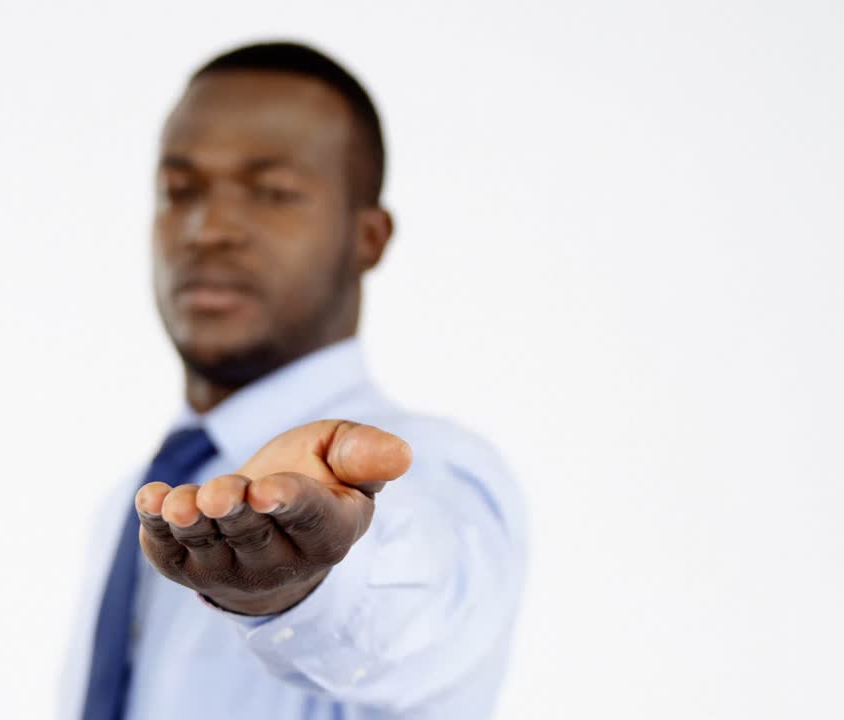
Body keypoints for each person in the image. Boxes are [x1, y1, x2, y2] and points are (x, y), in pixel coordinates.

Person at [58, 41, 527, 720]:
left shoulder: (434, 475)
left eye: (273, 191)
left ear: (367, 237)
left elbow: (415, 610)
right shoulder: (129, 510)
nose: (207, 229)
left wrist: (305, 584)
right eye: (179, 190)